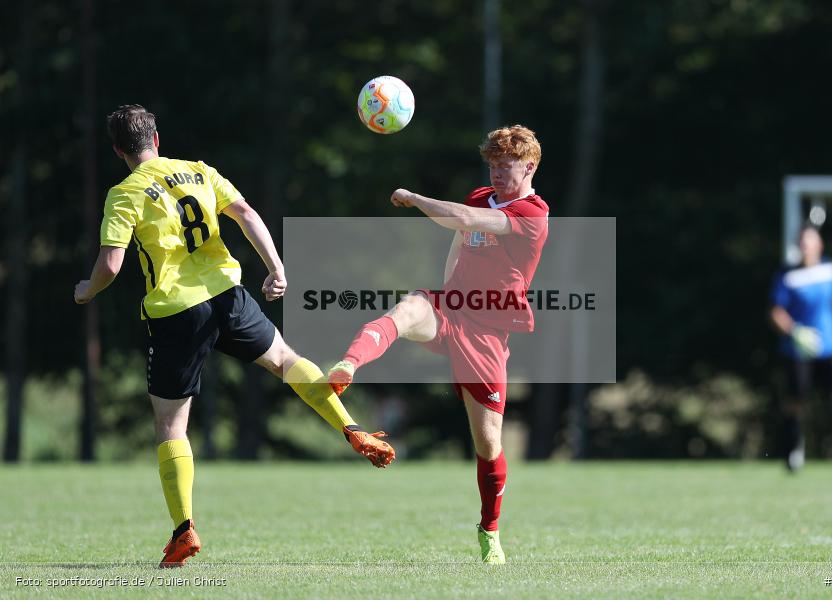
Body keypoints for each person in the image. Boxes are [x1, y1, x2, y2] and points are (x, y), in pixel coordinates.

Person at [73, 105, 395, 568]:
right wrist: (277, 268)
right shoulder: (199, 171)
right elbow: (244, 212)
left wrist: (87, 290)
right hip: (228, 295)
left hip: (176, 313)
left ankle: (184, 529)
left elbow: (110, 264)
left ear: (118, 150)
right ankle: (352, 427)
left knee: (171, 426)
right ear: (157, 139)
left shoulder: (124, 194)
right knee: (286, 360)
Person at [327, 125, 549, 564]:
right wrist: (447, 292)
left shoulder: (533, 212)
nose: (497, 173)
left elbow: (464, 220)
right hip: (452, 310)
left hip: (488, 333)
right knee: (407, 309)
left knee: (488, 443)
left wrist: (413, 198)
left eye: (506, 165)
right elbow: (459, 239)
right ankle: (347, 366)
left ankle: (490, 531)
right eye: (492, 164)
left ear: (529, 167)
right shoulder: (480, 196)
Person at [770, 224, 832, 472]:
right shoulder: (787, 275)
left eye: (809, 241)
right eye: (802, 241)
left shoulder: (830, 269)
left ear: (819, 244)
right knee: (796, 401)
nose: (805, 245)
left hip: (831, 346)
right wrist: (795, 332)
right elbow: (776, 312)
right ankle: (792, 453)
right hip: (799, 350)